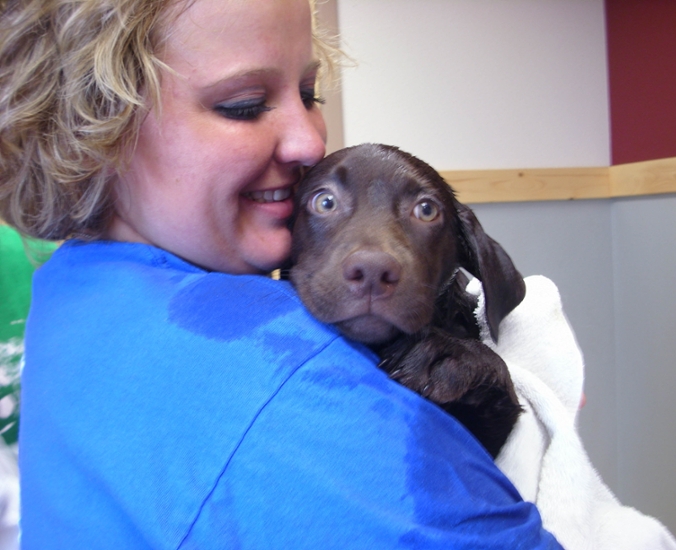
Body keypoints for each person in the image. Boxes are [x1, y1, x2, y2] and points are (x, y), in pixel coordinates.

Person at [0, 0, 564, 548]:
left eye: (308, 93)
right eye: (244, 104)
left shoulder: (70, 286)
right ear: (95, 127)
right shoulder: (296, 380)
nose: (311, 142)